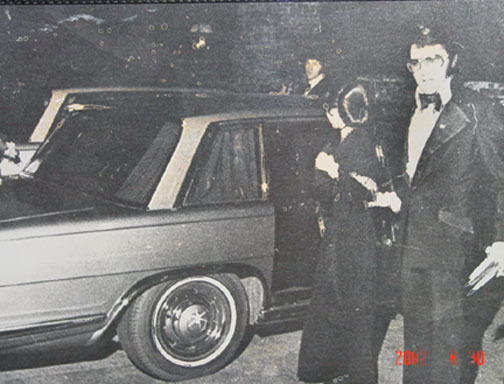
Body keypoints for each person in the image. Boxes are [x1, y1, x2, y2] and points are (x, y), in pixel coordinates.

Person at [385, 25, 504, 384]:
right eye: (415, 62)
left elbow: (501, 178)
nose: (424, 69)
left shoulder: (479, 110)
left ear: (452, 60)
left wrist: (500, 240)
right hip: (413, 248)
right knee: (417, 347)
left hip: (454, 253)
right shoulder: (412, 111)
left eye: (433, 59)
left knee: (452, 352)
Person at [297, 83, 400, 384]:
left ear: (347, 112)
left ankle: (353, 375)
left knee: (352, 307)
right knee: (336, 305)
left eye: (333, 109)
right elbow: (322, 190)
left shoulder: (362, 142)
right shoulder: (339, 142)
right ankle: (333, 370)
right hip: (341, 235)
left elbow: (359, 192)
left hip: (356, 237)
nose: (328, 115)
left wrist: (332, 174)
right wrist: (328, 178)